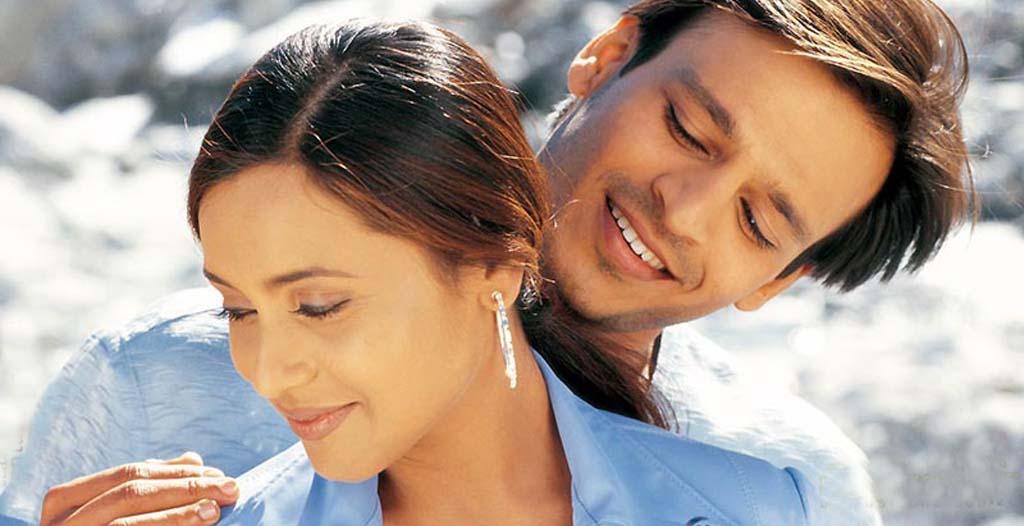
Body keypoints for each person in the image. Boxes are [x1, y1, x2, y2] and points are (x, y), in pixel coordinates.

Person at [0, 0, 974, 525]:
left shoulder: (782, 482)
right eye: (685, 127)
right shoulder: (149, 377)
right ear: (606, 56)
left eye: (757, 220)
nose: (680, 207)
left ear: (780, 280)